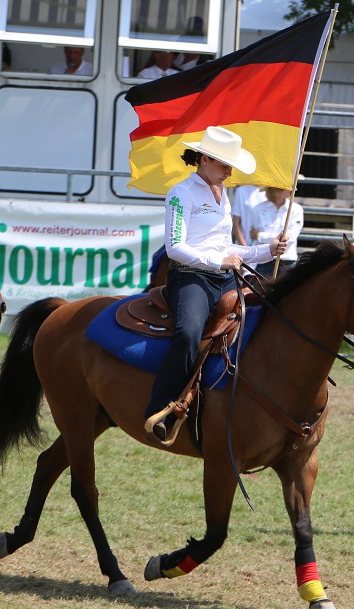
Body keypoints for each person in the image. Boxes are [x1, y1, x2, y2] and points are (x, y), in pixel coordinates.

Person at [143, 126, 288, 443]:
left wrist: (267, 250)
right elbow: (175, 247)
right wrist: (217, 262)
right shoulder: (181, 193)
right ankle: (162, 408)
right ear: (204, 159)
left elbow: (225, 246)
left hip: (222, 276)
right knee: (188, 333)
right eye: (224, 165)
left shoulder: (223, 195)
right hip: (190, 277)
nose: (229, 171)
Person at [249, 185, 303, 271]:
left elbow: (290, 238)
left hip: (287, 261)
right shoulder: (258, 209)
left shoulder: (296, 209)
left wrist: (260, 236)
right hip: (264, 261)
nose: (292, 189)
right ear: (276, 189)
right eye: (287, 186)